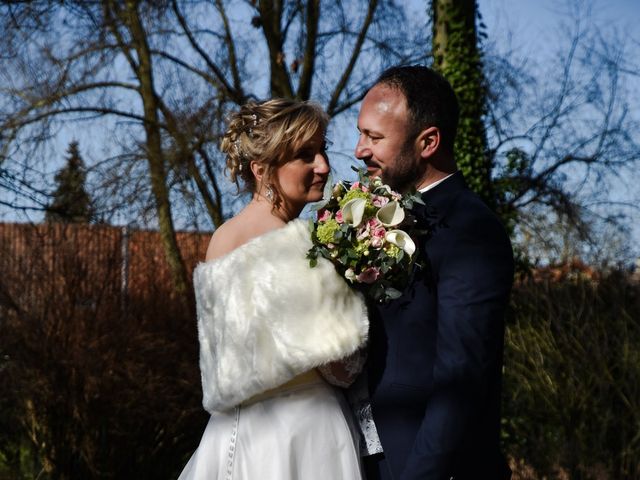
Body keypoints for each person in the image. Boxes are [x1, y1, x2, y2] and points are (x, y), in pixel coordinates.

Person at [178, 98, 368, 480]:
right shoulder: (298, 245)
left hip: (232, 432)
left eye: (322, 149)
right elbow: (342, 370)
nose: (323, 166)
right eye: (305, 155)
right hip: (303, 434)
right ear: (262, 169)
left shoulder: (222, 238)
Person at [354, 65, 514, 480]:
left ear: (427, 142)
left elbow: (462, 377)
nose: (359, 150)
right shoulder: (373, 219)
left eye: (374, 137)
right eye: (360, 134)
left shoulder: (471, 230)